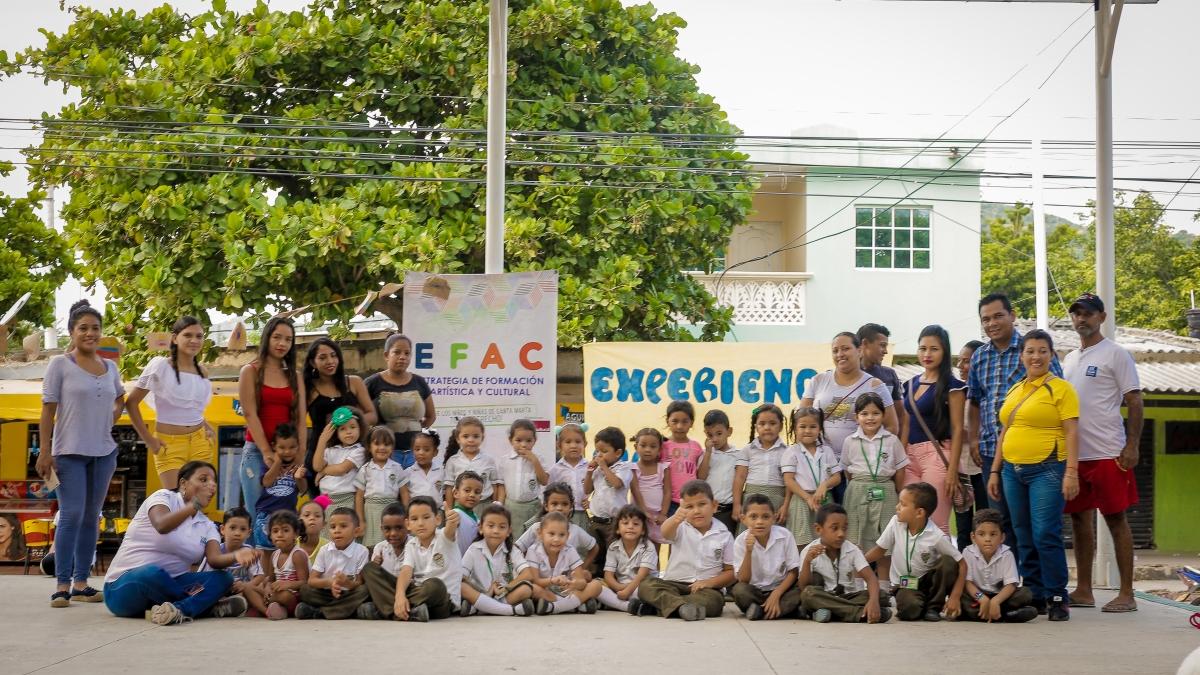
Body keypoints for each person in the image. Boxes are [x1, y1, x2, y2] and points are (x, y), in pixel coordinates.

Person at [38, 300, 125, 607]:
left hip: (104, 453)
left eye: (95, 328)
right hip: (68, 453)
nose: (90, 333)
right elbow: (47, 410)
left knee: (92, 517)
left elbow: (120, 399)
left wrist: (109, 417)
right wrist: (44, 452)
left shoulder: (110, 367)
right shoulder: (59, 365)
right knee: (71, 516)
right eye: (83, 328)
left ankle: (81, 583)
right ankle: (61, 584)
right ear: (72, 332)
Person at [988, 328, 1079, 621]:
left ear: (1051, 355)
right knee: (1023, 535)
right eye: (1030, 351)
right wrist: (994, 470)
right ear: (1022, 355)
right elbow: (1005, 430)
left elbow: (1072, 431)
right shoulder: (1015, 389)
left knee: (1045, 534)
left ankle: (1057, 596)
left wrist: (1072, 472)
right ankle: (1035, 593)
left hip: (1048, 469)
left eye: (1042, 350)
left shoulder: (1061, 388)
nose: (1036, 356)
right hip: (1012, 471)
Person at [1062, 293, 1143, 614]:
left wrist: (1132, 445)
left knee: (1115, 519)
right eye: (1076, 314)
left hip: (1110, 453)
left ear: (1102, 317)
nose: (1081, 319)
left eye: (1088, 314)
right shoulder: (1068, 359)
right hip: (1075, 456)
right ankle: (1084, 589)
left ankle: (1127, 593)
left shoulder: (1116, 355)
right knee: (1080, 520)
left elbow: (1134, 401)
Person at [102, 461, 256, 624]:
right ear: (183, 483)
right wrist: (194, 505)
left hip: (171, 587)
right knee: (151, 573)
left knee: (224, 578)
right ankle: (205, 607)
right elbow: (162, 525)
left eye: (213, 482)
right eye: (203, 480)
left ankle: (179, 610)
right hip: (124, 587)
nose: (211, 486)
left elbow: (215, 560)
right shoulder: (163, 498)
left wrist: (236, 555)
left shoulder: (208, 525)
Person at [968, 293, 1062, 550]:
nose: (992, 323)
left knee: (1037, 526)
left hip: (1035, 456)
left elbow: (1058, 397)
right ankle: (1010, 583)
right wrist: (974, 438)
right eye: (985, 319)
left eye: (998, 316)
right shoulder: (979, 356)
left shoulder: (1033, 349)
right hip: (991, 453)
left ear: (1012, 316)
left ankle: (1040, 587)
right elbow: (974, 401)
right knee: (1001, 523)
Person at [800, 331, 899, 502]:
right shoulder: (818, 380)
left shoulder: (875, 385)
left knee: (854, 519)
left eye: (845, 349)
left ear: (859, 350)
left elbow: (892, 427)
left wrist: (872, 456)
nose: (840, 354)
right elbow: (801, 420)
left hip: (857, 469)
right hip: (821, 466)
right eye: (835, 350)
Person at [126, 316, 213, 492]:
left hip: (200, 442)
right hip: (169, 445)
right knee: (176, 501)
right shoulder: (160, 366)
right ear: (174, 338)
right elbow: (131, 403)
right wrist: (149, 440)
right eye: (188, 335)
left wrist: (207, 425)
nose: (194, 340)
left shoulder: (202, 370)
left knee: (197, 502)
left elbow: (192, 405)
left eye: (199, 336)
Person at [866, 482, 966, 622]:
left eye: (903, 504)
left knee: (948, 561)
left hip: (927, 582)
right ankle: (919, 605)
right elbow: (880, 550)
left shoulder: (936, 535)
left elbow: (962, 563)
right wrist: (858, 562)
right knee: (909, 610)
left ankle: (933, 607)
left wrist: (955, 596)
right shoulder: (896, 523)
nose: (897, 507)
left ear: (919, 512)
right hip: (904, 585)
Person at [636, 480, 735, 621]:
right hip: (673, 584)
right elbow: (665, 532)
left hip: (706, 589)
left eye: (702, 504)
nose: (696, 511)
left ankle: (657, 607)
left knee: (714, 603)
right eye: (689, 506)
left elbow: (731, 572)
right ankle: (681, 607)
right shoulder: (680, 527)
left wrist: (708, 583)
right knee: (646, 586)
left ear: (714, 506)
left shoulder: (724, 535)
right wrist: (676, 518)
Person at [901, 325, 967, 536]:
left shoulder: (953, 385)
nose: (927, 354)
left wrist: (952, 470)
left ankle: (943, 570)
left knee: (937, 525)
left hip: (937, 456)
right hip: (909, 458)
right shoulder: (909, 384)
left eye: (934, 349)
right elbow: (905, 424)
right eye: (922, 348)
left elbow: (958, 429)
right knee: (909, 522)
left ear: (945, 351)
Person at [238, 316, 306, 513]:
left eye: (288, 339)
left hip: (288, 454)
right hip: (256, 453)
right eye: (277, 337)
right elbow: (250, 415)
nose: (282, 343)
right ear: (266, 337)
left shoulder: (296, 376)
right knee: (256, 515)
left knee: (283, 517)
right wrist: (267, 452)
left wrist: (300, 453)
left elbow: (301, 418)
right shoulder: (249, 371)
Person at [304, 337, 377, 489]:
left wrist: (347, 421)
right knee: (322, 507)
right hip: (320, 454)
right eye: (322, 358)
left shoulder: (354, 382)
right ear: (312, 363)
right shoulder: (308, 389)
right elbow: (298, 422)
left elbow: (372, 415)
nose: (330, 361)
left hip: (352, 455)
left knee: (353, 505)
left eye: (333, 355)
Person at [798, 503, 888, 624]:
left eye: (844, 528)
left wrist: (873, 602)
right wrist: (807, 561)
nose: (841, 534)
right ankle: (860, 613)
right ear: (819, 529)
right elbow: (803, 586)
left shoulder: (852, 549)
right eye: (834, 528)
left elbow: (871, 578)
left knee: (881, 595)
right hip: (823, 596)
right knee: (808, 594)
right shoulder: (809, 551)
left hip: (847, 597)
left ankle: (828, 612)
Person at [844, 393, 909, 554]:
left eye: (875, 413)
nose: (870, 418)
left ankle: (884, 580)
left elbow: (900, 468)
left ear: (884, 415)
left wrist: (897, 491)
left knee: (885, 540)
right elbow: (847, 471)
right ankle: (858, 579)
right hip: (857, 491)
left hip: (886, 491)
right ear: (856, 417)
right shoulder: (850, 441)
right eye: (864, 414)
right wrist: (862, 483)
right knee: (856, 537)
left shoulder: (892, 440)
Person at [364, 334, 435, 465]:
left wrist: (415, 432)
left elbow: (431, 416)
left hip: (414, 455)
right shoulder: (372, 383)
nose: (403, 357)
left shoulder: (419, 382)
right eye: (397, 352)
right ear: (386, 355)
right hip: (385, 455)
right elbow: (360, 416)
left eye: (407, 353)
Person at [731, 493, 802, 621]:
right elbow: (743, 580)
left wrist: (777, 593)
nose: (759, 522)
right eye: (753, 517)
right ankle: (784, 611)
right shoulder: (740, 541)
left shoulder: (785, 536)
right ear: (743, 519)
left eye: (765, 517)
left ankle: (759, 612)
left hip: (781, 590)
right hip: (755, 592)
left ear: (774, 518)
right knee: (739, 591)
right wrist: (748, 551)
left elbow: (793, 572)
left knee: (802, 590)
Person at [391, 496, 463, 622]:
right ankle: (411, 611)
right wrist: (399, 596)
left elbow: (450, 531)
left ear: (438, 519)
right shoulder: (411, 545)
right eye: (414, 519)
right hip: (419, 594)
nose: (420, 523)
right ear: (408, 524)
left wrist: (452, 522)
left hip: (442, 601)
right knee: (371, 570)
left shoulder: (444, 537)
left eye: (426, 517)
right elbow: (406, 571)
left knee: (435, 585)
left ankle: (387, 609)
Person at [959, 508, 1037, 623]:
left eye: (993, 534)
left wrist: (995, 601)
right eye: (981, 534)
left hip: (1001, 597)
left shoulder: (1007, 554)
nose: (987, 539)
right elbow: (967, 583)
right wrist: (982, 599)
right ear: (973, 537)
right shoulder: (968, 552)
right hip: (977, 596)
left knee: (1025, 594)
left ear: (1002, 537)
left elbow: (1011, 585)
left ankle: (986, 613)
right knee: (960, 596)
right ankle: (1005, 615)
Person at [459, 504, 536, 617]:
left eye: (502, 527)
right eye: (490, 526)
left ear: (509, 531)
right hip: (481, 594)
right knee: (461, 586)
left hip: (504, 595)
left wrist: (506, 588)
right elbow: (461, 576)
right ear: (481, 528)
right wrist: (488, 592)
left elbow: (528, 574)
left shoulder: (512, 550)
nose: (496, 531)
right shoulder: (474, 549)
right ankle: (510, 610)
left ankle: (479, 609)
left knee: (526, 589)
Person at [782, 406, 842, 548]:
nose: (807, 430)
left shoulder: (826, 451)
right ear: (795, 429)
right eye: (802, 426)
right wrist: (808, 498)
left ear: (819, 429)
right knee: (802, 543)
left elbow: (837, 477)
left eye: (813, 426)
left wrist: (824, 485)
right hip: (802, 501)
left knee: (826, 541)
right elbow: (789, 480)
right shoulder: (792, 452)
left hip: (824, 500)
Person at [296, 507, 370, 620]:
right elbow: (312, 580)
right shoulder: (324, 550)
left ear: (356, 531)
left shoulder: (362, 551)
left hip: (349, 594)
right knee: (305, 590)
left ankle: (320, 612)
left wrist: (347, 583)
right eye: (333, 527)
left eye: (343, 526)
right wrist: (330, 582)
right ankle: (347, 611)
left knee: (364, 591)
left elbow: (359, 582)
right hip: (327, 594)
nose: (337, 530)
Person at [527, 511, 604, 614]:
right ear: (540, 534)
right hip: (546, 593)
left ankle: (554, 607)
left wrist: (575, 584)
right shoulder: (533, 551)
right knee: (532, 588)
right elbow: (535, 580)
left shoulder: (569, 550)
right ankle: (575, 606)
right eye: (551, 534)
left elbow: (581, 581)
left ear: (567, 536)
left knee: (597, 585)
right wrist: (553, 580)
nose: (556, 539)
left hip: (568, 593)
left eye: (562, 535)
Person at [198, 507, 267, 616]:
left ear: (249, 533)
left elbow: (259, 576)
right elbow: (201, 578)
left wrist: (245, 585)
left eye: (243, 529)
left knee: (257, 589)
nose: (237, 533)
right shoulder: (215, 552)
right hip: (219, 592)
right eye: (233, 528)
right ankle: (221, 607)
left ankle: (247, 608)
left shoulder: (249, 551)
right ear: (222, 530)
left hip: (241, 592)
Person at [954, 340, 989, 551]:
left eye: (966, 361)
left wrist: (967, 433)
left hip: (983, 467)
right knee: (962, 526)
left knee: (986, 521)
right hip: (959, 469)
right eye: (959, 361)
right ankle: (963, 574)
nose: (960, 366)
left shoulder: (986, 393)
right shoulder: (954, 392)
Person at [515, 483, 600, 569]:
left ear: (571, 506)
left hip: (565, 580)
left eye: (565, 504)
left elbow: (594, 547)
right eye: (554, 504)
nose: (559, 508)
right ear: (546, 506)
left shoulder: (576, 530)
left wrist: (582, 569)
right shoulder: (537, 528)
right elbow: (517, 548)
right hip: (538, 580)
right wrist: (524, 568)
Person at [585, 426, 634, 572]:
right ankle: (596, 584)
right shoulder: (598, 470)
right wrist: (589, 472)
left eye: (604, 451)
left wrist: (603, 466)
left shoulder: (623, 467)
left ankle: (613, 583)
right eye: (597, 451)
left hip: (614, 523)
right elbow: (587, 490)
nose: (599, 455)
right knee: (595, 555)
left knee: (614, 556)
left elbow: (617, 484)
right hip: (595, 521)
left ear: (618, 453)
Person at [732, 404, 788, 524]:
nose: (767, 427)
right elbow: (739, 477)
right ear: (756, 426)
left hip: (776, 501)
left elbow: (790, 481)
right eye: (762, 424)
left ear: (781, 426)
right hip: (750, 500)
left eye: (772, 423)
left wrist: (785, 505)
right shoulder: (747, 450)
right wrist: (737, 504)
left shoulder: (787, 452)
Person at [355, 426, 410, 548]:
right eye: (377, 444)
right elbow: (359, 496)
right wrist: (361, 520)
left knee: (391, 543)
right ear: (369, 447)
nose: (382, 448)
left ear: (392, 448)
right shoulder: (365, 469)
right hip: (371, 512)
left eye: (387, 444)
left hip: (392, 510)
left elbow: (405, 493)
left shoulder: (396, 467)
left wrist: (406, 515)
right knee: (371, 546)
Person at [357, 502, 414, 619]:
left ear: (408, 526)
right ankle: (404, 612)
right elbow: (374, 580)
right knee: (368, 569)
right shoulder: (380, 548)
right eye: (387, 529)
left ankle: (383, 610)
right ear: (381, 529)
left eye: (398, 528)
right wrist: (376, 565)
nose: (393, 533)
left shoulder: (415, 545)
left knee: (431, 588)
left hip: (408, 589)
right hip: (385, 589)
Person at [254, 423, 305, 549]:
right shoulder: (268, 465)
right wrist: (277, 462)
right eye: (282, 447)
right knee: (265, 550)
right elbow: (266, 482)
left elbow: (303, 489)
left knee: (286, 550)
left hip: (288, 516)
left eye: (292, 447)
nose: (287, 452)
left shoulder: (298, 466)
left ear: (298, 447)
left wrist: (298, 478)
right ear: (274, 447)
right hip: (266, 515)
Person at [599, 505, 657, 613]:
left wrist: (627, 591)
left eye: (636, 524)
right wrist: (619, 588)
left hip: (641, 586)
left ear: (643, 530)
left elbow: (641, 576)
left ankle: (616, 603)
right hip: (620, 587)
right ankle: (630, 606)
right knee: (596, 586)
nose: (630, 527)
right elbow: (608, 575)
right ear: (617, 529)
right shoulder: (613, 547)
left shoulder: (648, 547)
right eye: (625, 523)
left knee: (648, 590)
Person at [442, 416, 505, 517]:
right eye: (466, 436)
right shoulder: (453, 461)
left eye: (476, 436)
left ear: (482, 438)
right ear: (458, 438)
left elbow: (494, 486)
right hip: (460, 507)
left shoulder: (489, 460)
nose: (471, 440)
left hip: (484, 506)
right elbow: (449, 488)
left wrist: (495, 508)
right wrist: (450, 511)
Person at [313, 407, 366, 520]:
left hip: (345, 498)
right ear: (336, 433)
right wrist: (322, 440)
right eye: (343, 429)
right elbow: (317, 466)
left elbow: (341, 469)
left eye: (353, 427)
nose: (348, 431)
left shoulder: (359, 450)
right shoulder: (330, 450)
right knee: (324, 534)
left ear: (360, 428)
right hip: (325, 497)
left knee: (343, 532)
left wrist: (323, 471)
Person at [502, 419, 549, 540]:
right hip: (511, 507)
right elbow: (501, 485)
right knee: (512, 539)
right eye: (518, 440)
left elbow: (544, 481)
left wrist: (534, 461)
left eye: (528, 441)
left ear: (534, 441)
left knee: (532, 539)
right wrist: (500, 505)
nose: (523, 445)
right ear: (510, 440)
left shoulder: (539, 459)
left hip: (532, 507)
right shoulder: (505, 460)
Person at [858, 323, 908, 433]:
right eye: (882, 345)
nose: (885, 351)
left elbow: (901, 417)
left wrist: (899, 446)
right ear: (865, 343)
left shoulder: (890, 375)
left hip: (883, 446)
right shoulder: (847, 375)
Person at [261, 510, 309, 620]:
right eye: (275, 531)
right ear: (270, 535)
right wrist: (268, 587)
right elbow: (270, 579)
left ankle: (265, 608)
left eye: (285, 530)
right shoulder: (274, 555)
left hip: (292, 597)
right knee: (251, 588)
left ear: (296, 534)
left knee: (284, 596)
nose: (280, 534)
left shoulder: (297, 555)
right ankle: (272, 610)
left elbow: (305, 582)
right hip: (276, 594)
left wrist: (287, 584)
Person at [698, 409, 738, 532]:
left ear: (729, 431)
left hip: (728, 510)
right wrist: (708, 453)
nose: (714, 439)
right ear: (705, 433)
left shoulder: (738, 455)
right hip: (708, 510)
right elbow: (701, 477)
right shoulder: (705, 454)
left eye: (719, 433)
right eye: (710, 435)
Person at [629, 427, 671, 546]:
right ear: (636, 447)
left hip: (656, 518)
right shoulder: (632, 468)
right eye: (643, 445)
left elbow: (667, 492)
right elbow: (635, 490)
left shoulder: (663, 468)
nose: (648, 450)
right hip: (639, 516)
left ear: (659, 449)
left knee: (655, 551)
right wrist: (644, 511)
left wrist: (663, 513)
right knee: (638, 549)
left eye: (653, 446)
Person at [663, 400, 704, 515]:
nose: (679, 426)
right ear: (668, 421)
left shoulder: (696, 447)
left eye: (684, 422)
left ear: (691, 423)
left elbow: (700, 475)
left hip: (691, 501)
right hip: (668, 502)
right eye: (675, 421)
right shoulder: (662, 446)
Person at [548, 423, 591, 531]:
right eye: (568, 442)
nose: (573, 445)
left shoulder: (590, 467)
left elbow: (599, 489)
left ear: (585, 444)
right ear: (559, 445)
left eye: (578, 441)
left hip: (583, 514)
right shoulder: (555, 469)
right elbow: (548, 491)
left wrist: (592, 502)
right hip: (561, 515)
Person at [448, 471, 484, 556]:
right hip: (458, 564)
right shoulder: (456, 515)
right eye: (467, 490)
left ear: (481, 497)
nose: (472, 495)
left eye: (477, 492)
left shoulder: (475, 517)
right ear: (456, 493)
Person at [407, 429, 444, 502]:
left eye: (426, 450)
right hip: (415, 511)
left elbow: (445, 494)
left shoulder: (442, 472)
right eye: (417, 449)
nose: (421, 453)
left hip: (437, 512)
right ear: (412, 451)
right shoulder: (407, 473)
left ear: (435, 452)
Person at [298, 500, 328, 568]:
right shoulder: (291, 544)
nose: (312, 518)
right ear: (298, 521)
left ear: (324, 524)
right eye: (306, 515)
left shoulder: (329, 547)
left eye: (317, 516)